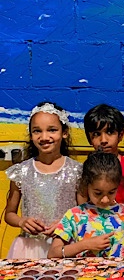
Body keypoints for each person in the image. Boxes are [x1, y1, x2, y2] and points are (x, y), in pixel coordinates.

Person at [5, 102, 82, 259]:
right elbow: (9, 214)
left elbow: (84, 213)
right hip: (28, 249)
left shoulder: (77, 171)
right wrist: (22, 221)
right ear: (31, 134)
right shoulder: (21, 171)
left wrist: (66, 223)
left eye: (52, 130)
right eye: (37, 131)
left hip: (65, 246)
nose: (44, 137)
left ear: (64, 132)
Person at [49, 151, 124, 259]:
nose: (105, 200)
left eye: (111, 192)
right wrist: (84, 245)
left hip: (118, 270)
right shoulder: (74, 215)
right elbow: (53, 253)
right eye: (98, 193)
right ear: (86, 185)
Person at [83, 104, 124, 215]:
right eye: (96, 134)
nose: (103, 140)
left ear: (120, 135)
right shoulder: (85, 170)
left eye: (109, 132)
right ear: (89, 138)